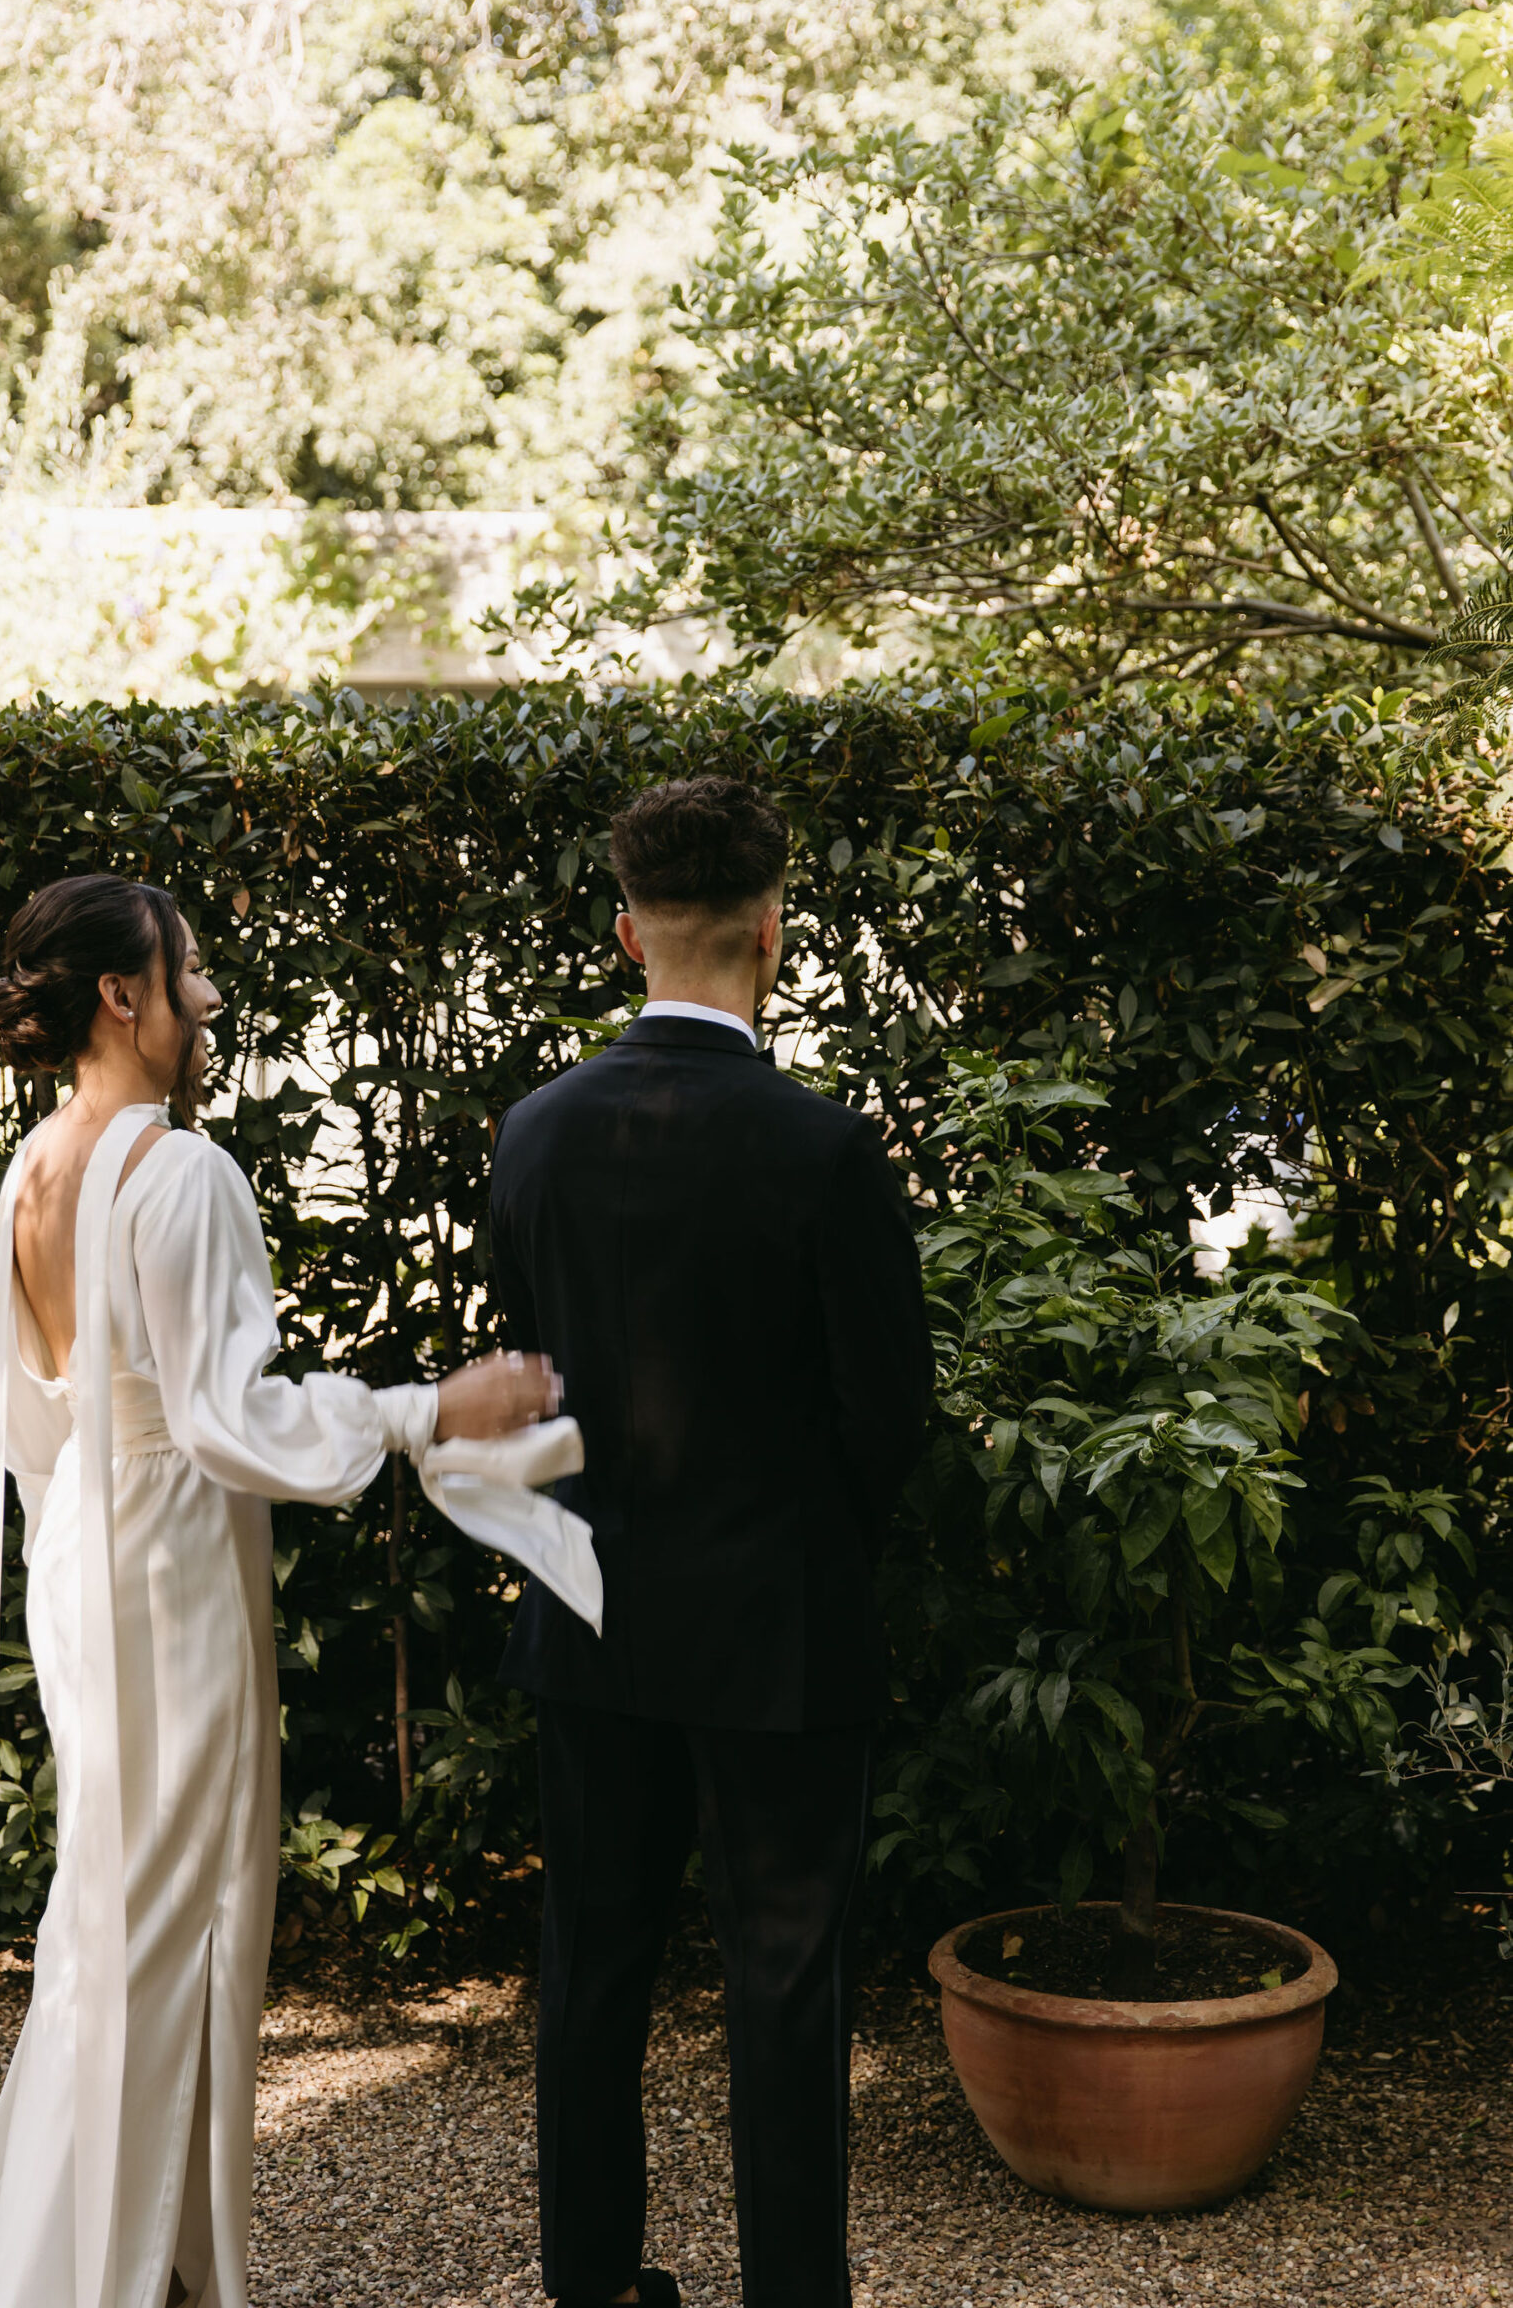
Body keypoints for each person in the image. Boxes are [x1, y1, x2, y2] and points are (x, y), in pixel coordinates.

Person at [0, 873, 600, 2308]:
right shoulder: (182, 1173)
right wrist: (424, 1412)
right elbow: (227, 1419)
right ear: (124, 994)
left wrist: (92, 1537)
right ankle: (80, 2274)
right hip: (170, 1576)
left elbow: (37, 1424)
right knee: (175, 1922)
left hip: (82, 1568)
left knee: (124, 1915)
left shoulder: (34, 1168)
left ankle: (150, 2256)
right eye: (191, 969)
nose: (209, 996)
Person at [489, 775, 935, 2308]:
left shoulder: (534, 1134)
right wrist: (812, 1547)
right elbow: (891, 1412)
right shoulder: (823, 1149)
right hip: (778, 1627)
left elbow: (525, 1377)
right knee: (786, 1991)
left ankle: (592, 2285)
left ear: (627, 935)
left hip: (589, 1612)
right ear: (773, 929)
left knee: (592, 1965)